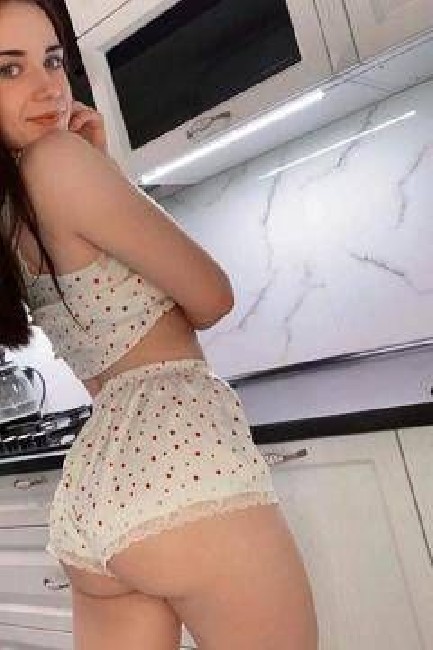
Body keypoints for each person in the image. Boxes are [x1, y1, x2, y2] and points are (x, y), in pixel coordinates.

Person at [0, 1, 318, 648]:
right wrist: (104, 172)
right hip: (179, 454)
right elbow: (212, 296)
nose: (49, 88)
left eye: (53, 61)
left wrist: (103, 172)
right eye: (9, 69)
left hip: (97, 491)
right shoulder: (60, 160)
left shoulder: (10, 212)